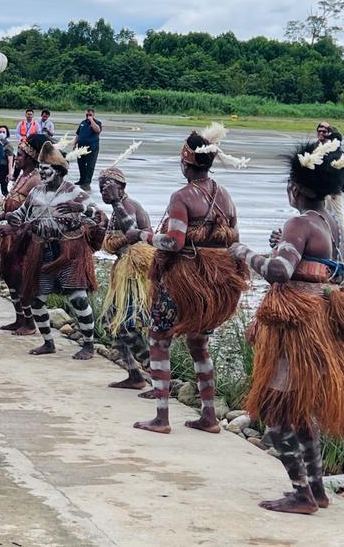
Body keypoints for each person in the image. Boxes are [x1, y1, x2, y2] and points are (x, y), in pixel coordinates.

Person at [229, 139, 344, 515]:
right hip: (317, 324)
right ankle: (317, 491)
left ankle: (302, 494)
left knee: (275, 416)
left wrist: (244, 253)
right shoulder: (331, 222)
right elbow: (316, 266)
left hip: (295, 330)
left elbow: (280, 271)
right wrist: (284, 246)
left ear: (295, 187)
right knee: (301, 414)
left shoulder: (300, 222)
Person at [126, 126, 250, 435]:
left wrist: (143, 235)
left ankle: (161, 417)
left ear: (187, 162)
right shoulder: (225, 195)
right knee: (199, 344)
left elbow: (175, 242)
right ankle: (208, 416)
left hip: (185, 282)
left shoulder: (182, 197)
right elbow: (231, 235)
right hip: (216, 284)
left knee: (158, 340)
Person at [0, 141, 103, 359]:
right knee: (36, 298)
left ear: (59, 172)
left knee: (78, 298)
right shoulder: (36, 192)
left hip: (70, 252)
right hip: (42, 250)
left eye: (47, 170)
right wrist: (4, 222)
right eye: (41, 170)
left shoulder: (75, 192)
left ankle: (89, 345)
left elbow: (99, 217)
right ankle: (48, 342)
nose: (43, 174)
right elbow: (21, 216)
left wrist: (80, 207)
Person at [0, 134, 48, 334]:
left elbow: (36, 214)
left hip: (25, 240)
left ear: (30, 157)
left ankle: (29, 323)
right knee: (10, 278)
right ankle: (19, 318)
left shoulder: (37, 180)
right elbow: (17, 209)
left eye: (19, 155)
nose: (16, 158)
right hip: (11, 238)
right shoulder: (22, 176)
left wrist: (15, 228)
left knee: (20, 279)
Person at [98, 160, 154, 390]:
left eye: (108, 186)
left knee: (127, 326)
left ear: (121, 187)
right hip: (124, 271)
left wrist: (116, 203)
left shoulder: (126, 206)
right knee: (112, 322)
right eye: (101, 186)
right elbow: (114, 242)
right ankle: (134, 375)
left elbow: (133, 234)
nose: (104, 190)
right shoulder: (117, 208)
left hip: (134, 275)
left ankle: (157, 375)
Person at [73, 108, 103, 189]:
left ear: (93, 115)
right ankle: (82, 179)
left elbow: (97, 130)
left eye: (90, 115)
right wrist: (74, 143)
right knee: (81, 163)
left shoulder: (97, 123)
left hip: (92, 148)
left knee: (90, 165)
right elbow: (78, 134)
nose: (88, 116)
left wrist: (91, 120)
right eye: (87, 115)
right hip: (81, 147)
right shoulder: (83, 123)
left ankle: (87, 181)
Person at [0, 125, 14, 201]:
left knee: (4, 189)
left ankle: (10, 204)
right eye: (0, 132)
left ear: (7, 134)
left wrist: (10, 173)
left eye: (3, 132)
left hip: (3, 169)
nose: (1, 133)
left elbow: (10, 160)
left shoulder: (8, 146)